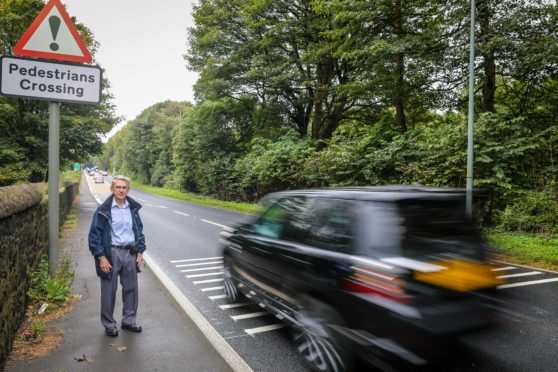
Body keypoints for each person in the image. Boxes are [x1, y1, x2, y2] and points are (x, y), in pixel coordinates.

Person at [88, 175, 146, 337]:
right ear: (112, 189)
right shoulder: (103, 210)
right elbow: (94, 236)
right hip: (111, 253)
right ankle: (109, 324)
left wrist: (140, 252)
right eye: (118, 187)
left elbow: (139, 231)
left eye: (124, 187)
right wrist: (101, 257)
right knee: (109, 291)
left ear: (128, 190)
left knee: (131, 289)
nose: (121, 190)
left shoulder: (132, 209)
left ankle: (128, 321)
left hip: (130, 252)